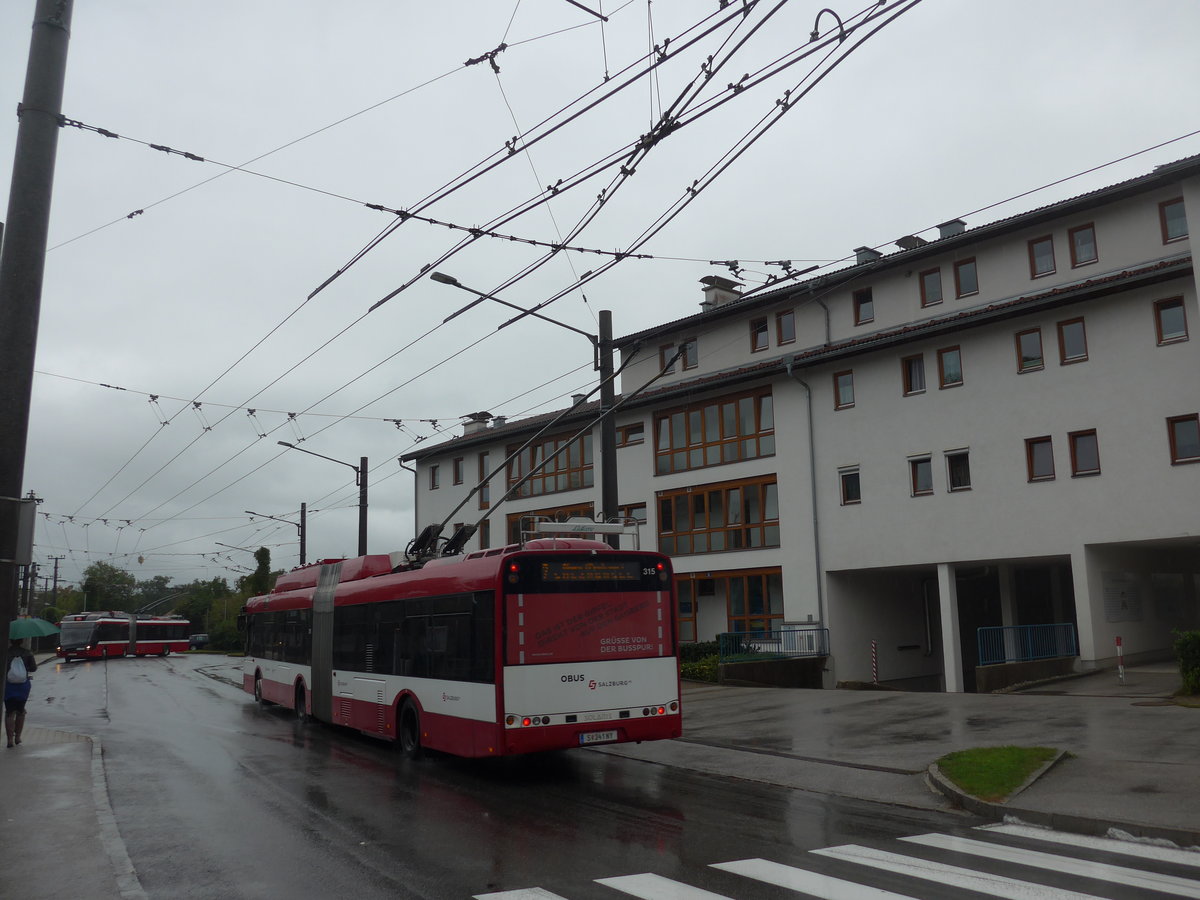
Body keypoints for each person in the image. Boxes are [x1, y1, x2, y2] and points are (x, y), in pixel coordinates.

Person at [5, 638, 38, 748]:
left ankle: (9, 740)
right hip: (22, 687)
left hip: (8, 686)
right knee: (20, 711)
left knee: (9, 712)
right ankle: (17, 737)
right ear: (21, 641)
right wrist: (24, 667)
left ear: (11, 641)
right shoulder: (27, 653)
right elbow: (34, 668)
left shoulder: (5, 653)